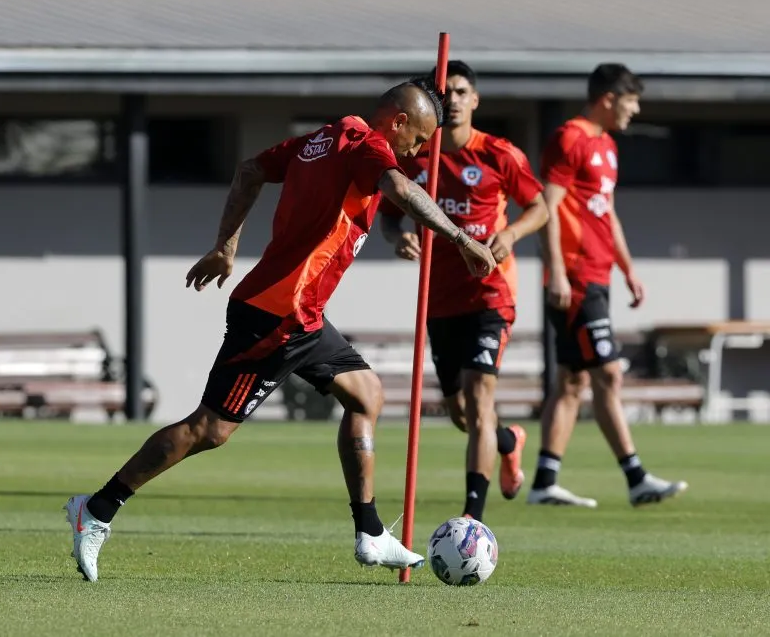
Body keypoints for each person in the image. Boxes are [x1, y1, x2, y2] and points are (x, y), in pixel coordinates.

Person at [64, 83, 497, 582]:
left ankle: (370, 533)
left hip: (303, 315)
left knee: (366, 395)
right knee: (209, 430)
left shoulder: (325, 137)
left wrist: (226, 246)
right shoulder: (369, 148)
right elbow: (400, 189)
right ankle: (95, 510)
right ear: (397, 122)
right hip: (277, 316)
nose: (416, 152)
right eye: (418, 141)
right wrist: (463, 238)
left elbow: (250, 170)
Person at [379, 62, 548, 523]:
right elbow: (389, 213)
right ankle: (509, 441)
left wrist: (510, 235)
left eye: (460, 91)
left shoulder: (498, 153)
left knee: (478, 400)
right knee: (461, 415)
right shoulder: (417, 156)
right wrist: (399, 237)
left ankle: (472, 518)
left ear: (474, 100)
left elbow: (539, 207)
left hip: (490, 293)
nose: (451, 99)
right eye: (444, 92)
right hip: (440, 300)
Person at [527, 63, 687, 508]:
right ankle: (636, 477)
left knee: (572, 381)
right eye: (632, 101)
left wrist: (628, 269)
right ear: (610, 98)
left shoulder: (607, 146)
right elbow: (549, 208)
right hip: (575, 278)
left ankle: (544, 481)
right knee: (609, 373)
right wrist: (556, 270)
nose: (635, 111)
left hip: (597, 275)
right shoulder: (569, 139)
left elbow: (606, 211)